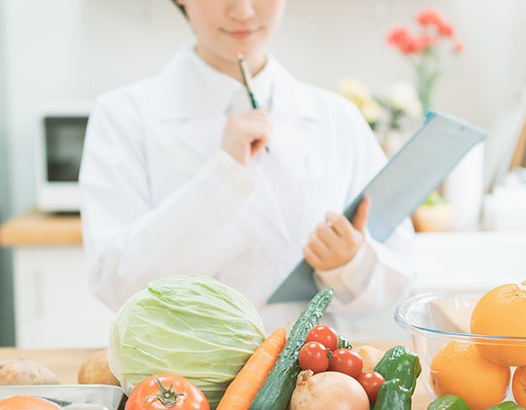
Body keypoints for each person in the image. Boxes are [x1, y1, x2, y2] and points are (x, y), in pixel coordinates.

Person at [79, 0, 416, 332]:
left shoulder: (337, 118)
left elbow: (399, 277)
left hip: (308, 374)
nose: (242, 10)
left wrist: (350, 265)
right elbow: (115, 281)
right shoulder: (122, 116)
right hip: (181, 376)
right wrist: (223, 178)